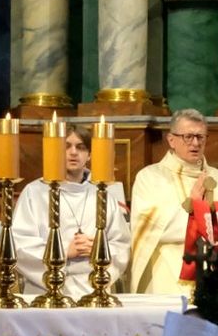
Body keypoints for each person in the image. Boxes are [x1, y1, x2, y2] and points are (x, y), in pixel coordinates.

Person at [129, 109, 218, 295]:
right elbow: (147, 225)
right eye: (188, 137)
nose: (195, 143)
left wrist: (202, 215)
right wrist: (196, 207)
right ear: (171, 140)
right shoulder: (149, 178)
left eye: (200, 137)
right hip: (167, 278)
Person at [11, 124, 131, 301]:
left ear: (89, 155)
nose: (73, 152)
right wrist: (64, 251)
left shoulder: (102, 193)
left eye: (81, 147)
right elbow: (19, 244)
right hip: (45, 291)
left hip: (94, 290)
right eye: (66, 146)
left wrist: (99, 250)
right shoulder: (34, 192)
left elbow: (121, 244)